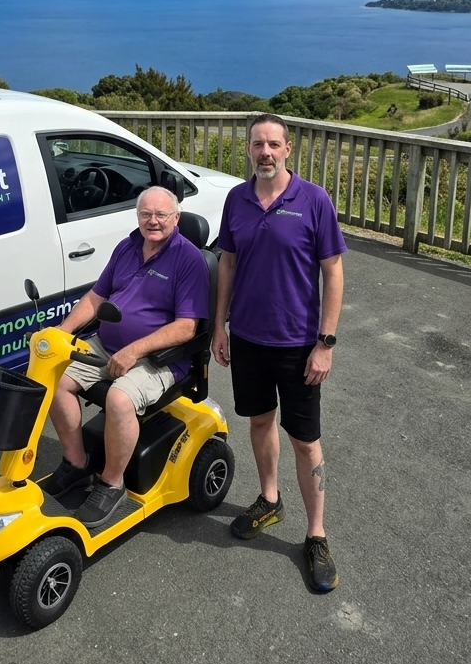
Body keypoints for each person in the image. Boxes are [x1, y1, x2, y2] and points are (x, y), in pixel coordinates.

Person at [211, 113, 347, 592]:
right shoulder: (236, 199)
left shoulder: (312, 200)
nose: (265, 152)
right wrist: (219, 326)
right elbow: (227, 262)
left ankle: (315, 535)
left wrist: (324, 344)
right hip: (247, 338)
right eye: (257, 144)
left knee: (305, 439)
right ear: (247, 150)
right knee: (260, 421)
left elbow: (333, 272)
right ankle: (270, 499)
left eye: (273, 144)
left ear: (288, 149)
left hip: (298, 343)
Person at [41, 186, 210, 528]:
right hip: (106, 345)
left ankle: (111, 483)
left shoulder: (189, 260)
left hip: (159, 358)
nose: (153, 221)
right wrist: (61, 333)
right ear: (138, 216)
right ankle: (76, 464)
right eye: (146, 214)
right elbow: (95, 297)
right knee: (55, 377)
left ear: (176, 218)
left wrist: (134, 350)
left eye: (161, 215)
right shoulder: (126, 247)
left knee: (119, 400)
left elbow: (186, 328)